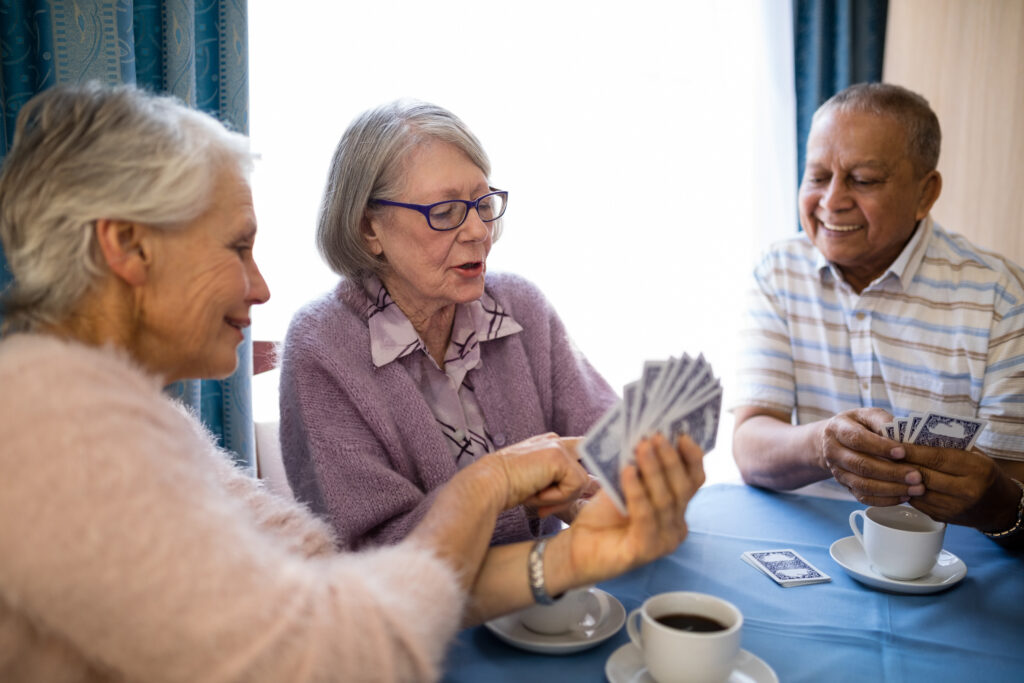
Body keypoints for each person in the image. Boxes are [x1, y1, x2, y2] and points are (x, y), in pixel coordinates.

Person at [0, 83, 705, 681]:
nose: (260, 284)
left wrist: (577, 550)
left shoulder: (134, 415)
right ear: (126, 244)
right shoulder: (50, 428)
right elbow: (332, 647)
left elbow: (335, 584)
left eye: (482, 202)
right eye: (237, 246)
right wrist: (492, 481)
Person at [279, 100, 617, 549]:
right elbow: (374, 555)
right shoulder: (322, 349)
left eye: (483, 203)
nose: (479, 230)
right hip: (416, 615)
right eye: (445, 212)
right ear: (368, 229)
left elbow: (607, 440)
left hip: (545, 610)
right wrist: (522, 491)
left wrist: (643, 463)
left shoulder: (520, 305)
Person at [732, 82, 1024, 547]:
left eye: (863, 179)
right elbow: (750, 445)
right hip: (810, 539)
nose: (831, 201)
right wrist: (823, 445)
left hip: (957, 556)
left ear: (925, 193)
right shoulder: (778, 271)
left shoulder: (1002, 297)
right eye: (817, 176)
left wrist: (992, 499)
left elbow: (1013, 490)